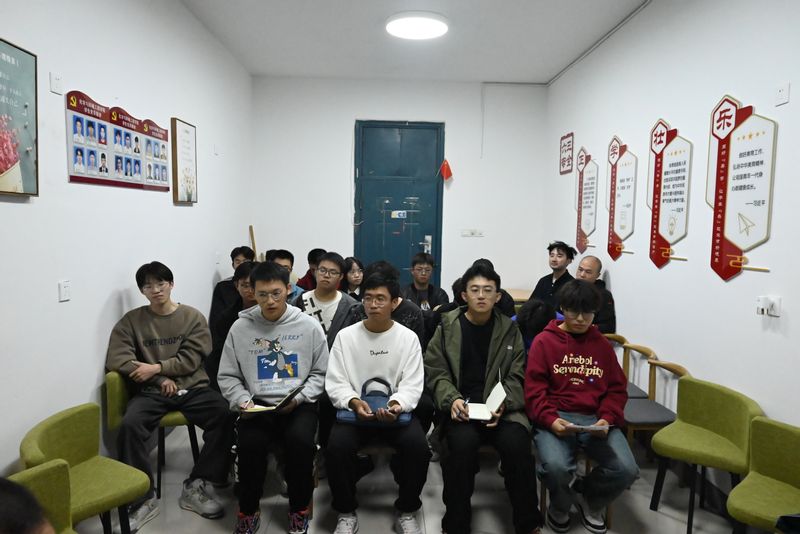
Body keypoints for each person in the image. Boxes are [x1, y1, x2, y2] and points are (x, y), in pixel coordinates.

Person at [105, 261, 233, 531]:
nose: (155, 289)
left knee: (224, 414)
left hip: (193, 387)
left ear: (171, 284)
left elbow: (192, 358)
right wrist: (159, 378)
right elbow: (118, 358)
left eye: (160, 283)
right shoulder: (131, 321)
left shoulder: (192, 317)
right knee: (129, 426)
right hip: (152, 392)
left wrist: (157, 367)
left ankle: (197, 484)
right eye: (148, 286)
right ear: (142, 291)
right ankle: (142, 498)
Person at [425, 262, 544, 534]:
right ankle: (456, 524)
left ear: (497, 296)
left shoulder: (509, 329)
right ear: (464, 294)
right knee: (460, 448)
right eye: (475, 290)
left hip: (503, 411)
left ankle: (528, 523)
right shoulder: (447, 326)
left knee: (518, 447)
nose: (481, 296)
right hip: (462, 409)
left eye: (488, 290)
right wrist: (452, 399)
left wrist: (504, 403)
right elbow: (436, 371)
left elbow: (517, 374)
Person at [218, 261, 329, 534]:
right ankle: (248, 510)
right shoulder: (240, 328)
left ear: (288, 289)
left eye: (276, 293)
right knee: (249, 446)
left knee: (300, 443)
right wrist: (242, 400)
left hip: (298, 403)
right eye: (263, 294)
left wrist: (300, 398)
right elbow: (228, 375)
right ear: (252, 293)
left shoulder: (308, 326)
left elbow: (321, 373)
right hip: (256, 404)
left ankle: (299, 509)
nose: (270, 301)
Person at [525, 280, 637, 534]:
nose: (580, 319)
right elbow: (534, 391)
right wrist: (550, 419)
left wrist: (607, 418)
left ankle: (588, 496)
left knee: (627, 469)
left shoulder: (602, 346)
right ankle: (560, 505)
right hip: (555, 417)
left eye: (588, 313)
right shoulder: (544, 342)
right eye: (574, 311)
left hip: (595, 418)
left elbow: (616, 389)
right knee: (556, 468)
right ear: (562, 308)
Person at [325, 273, 430, 534]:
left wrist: (397, 404)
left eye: (380, 298)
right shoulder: (346, 337)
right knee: (336, 447)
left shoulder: (407, 338)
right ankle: (345, 511)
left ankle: (407, 510)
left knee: (418, 448)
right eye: (368, 298)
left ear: (394, 302)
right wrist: (353, 401)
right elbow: (336, 381)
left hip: (395, 413)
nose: (373, 304)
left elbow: (413, 383)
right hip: (355, 413)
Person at [292, 252, 359, 465]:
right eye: (322, 270)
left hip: (338, 372)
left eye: (332, 272)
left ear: (341, 277)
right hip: (304, 370)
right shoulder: (299, 302)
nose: (326, 275)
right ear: (315, 272)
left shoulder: (351, 306)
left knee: (330, 405)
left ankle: (327, 455)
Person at [209, 246, 255, 329]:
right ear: (233, 265)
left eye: (245, 261)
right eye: (237, 261)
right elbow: (215, 319)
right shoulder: (222, 287)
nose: (241, 265)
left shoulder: (261, 285)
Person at [575, 256, 616, 333]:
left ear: (597, 275)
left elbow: (608, 327)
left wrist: (585, 326)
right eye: (580, 270)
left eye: (588, 272)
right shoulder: (570, 289)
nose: (582, 275)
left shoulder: (603, 296)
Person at [530, 241, 577, 309]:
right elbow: (531, 304)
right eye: (552, 255)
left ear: (569, 261)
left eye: (559, 256)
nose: (554, 259)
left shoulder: (572, 285)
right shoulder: (543, 281)